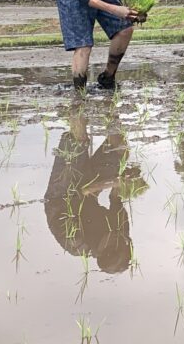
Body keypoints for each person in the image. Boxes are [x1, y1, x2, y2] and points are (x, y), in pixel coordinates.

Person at [44, 105, 138, 274]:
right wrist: (126, 179)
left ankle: (78, 95)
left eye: (116, 242)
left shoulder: (75, 241)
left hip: (63, 195)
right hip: (88, 194)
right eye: (123, 241)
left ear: (103, 249)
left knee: (78, 141)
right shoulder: (121, 235)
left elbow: (83, 191)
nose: (119, 237)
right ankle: (110, 102)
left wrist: (114, 182)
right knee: (121, 152)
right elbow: (116, 199)